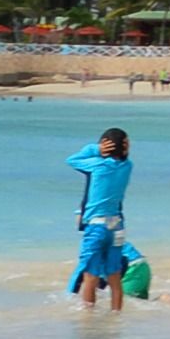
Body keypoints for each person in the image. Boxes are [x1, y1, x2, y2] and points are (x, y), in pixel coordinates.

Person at [68, 127, 133, 313]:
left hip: (97, 226)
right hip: (117, 226)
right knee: (114, 276)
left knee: (91, 276)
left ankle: (88, 319)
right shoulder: (128, 167)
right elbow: (124, 156)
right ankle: (116, 316)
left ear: (105, 144)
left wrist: (95, 149)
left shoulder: (97, 165)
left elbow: (71, 160)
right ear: (125, 147)